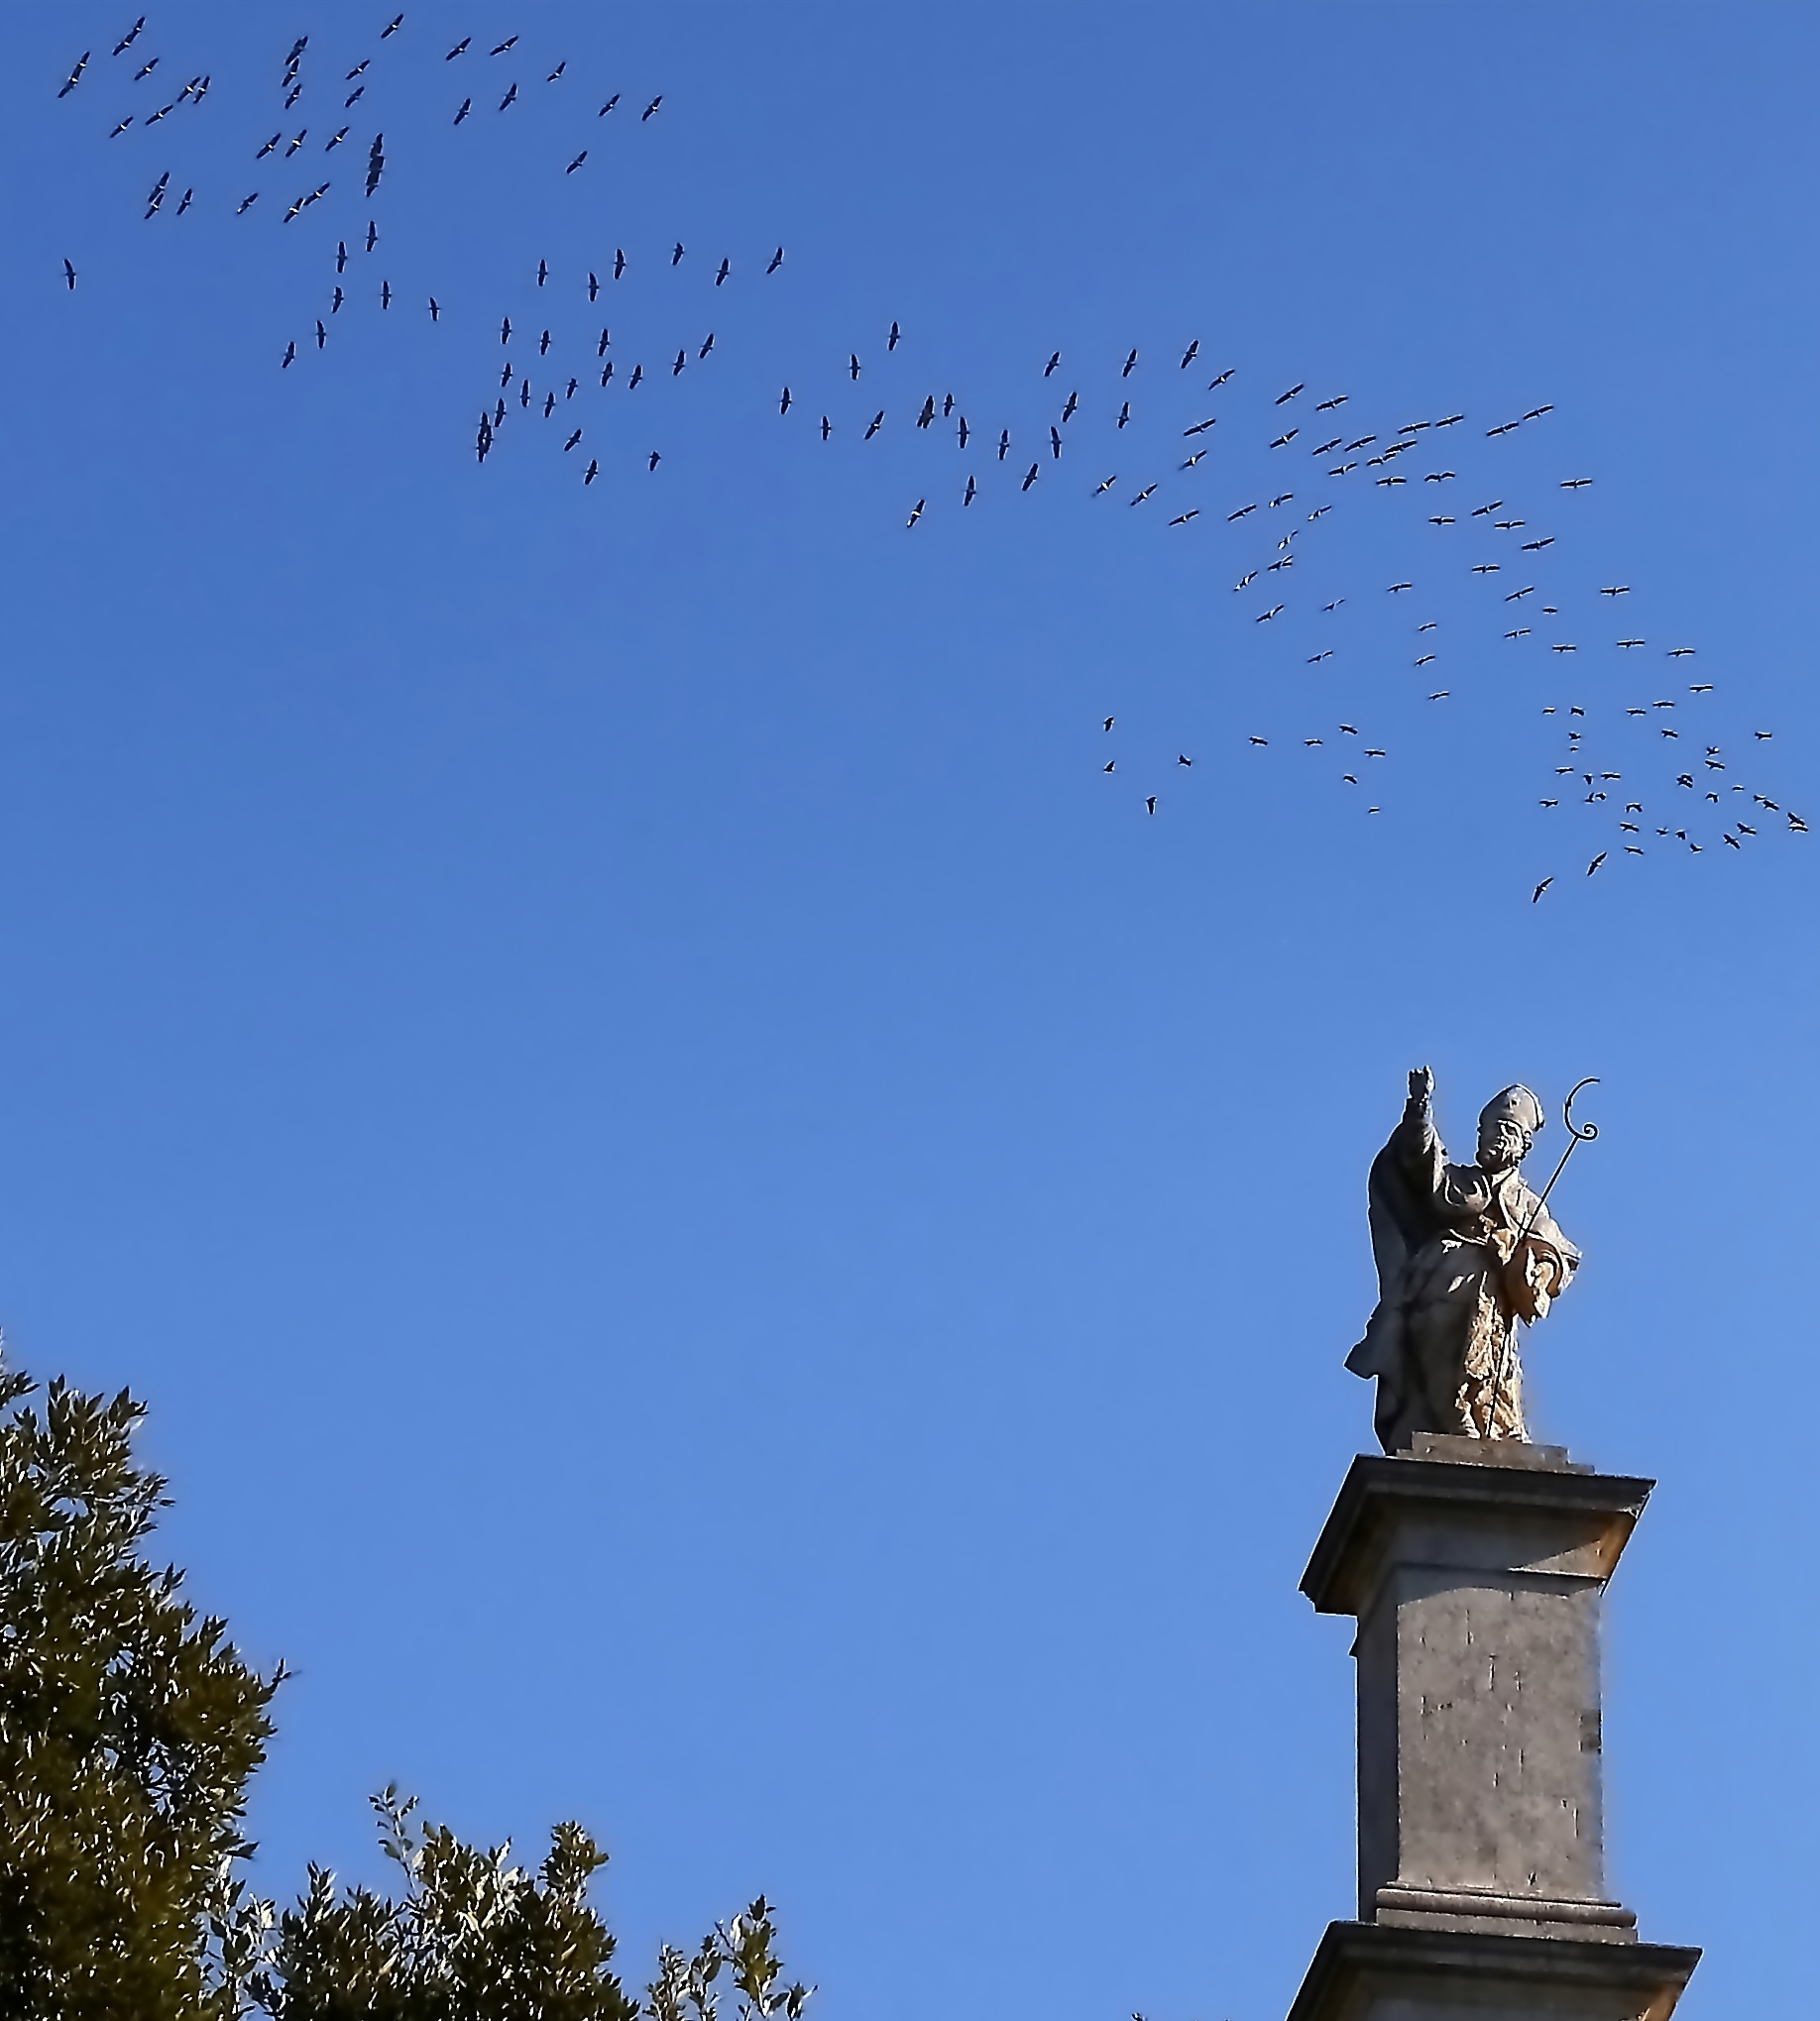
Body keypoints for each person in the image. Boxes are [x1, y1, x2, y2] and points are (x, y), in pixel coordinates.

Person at [1347, 1067, 1578, 1453]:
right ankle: (1455, 1419)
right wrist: (1419, 1112)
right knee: (1441, 1355)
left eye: (1504, 1132)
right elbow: (1421, 1164)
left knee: (1491, 1364)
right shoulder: (1460, 1182)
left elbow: (1557, 1255)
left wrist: (1534, 1267)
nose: (1491, 1139)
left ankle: (1491, 1430)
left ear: (1523, 1147)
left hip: (1490, 1306)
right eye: (1486, 1130)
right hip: (1439, 1283)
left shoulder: (1527, 1204)